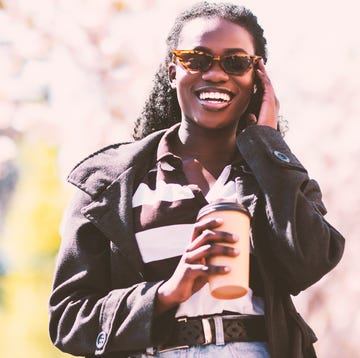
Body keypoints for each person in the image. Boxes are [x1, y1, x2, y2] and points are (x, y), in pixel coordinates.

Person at [48, 2, 345, 357]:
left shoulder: (276, 174)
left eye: (236, 62)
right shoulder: (110, 183)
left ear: (257, 79)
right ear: (172, 70)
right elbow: (68, 320)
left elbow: (309, 263)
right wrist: (167, 292)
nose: (216, 74)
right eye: (197, 59)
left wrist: (267, 143)